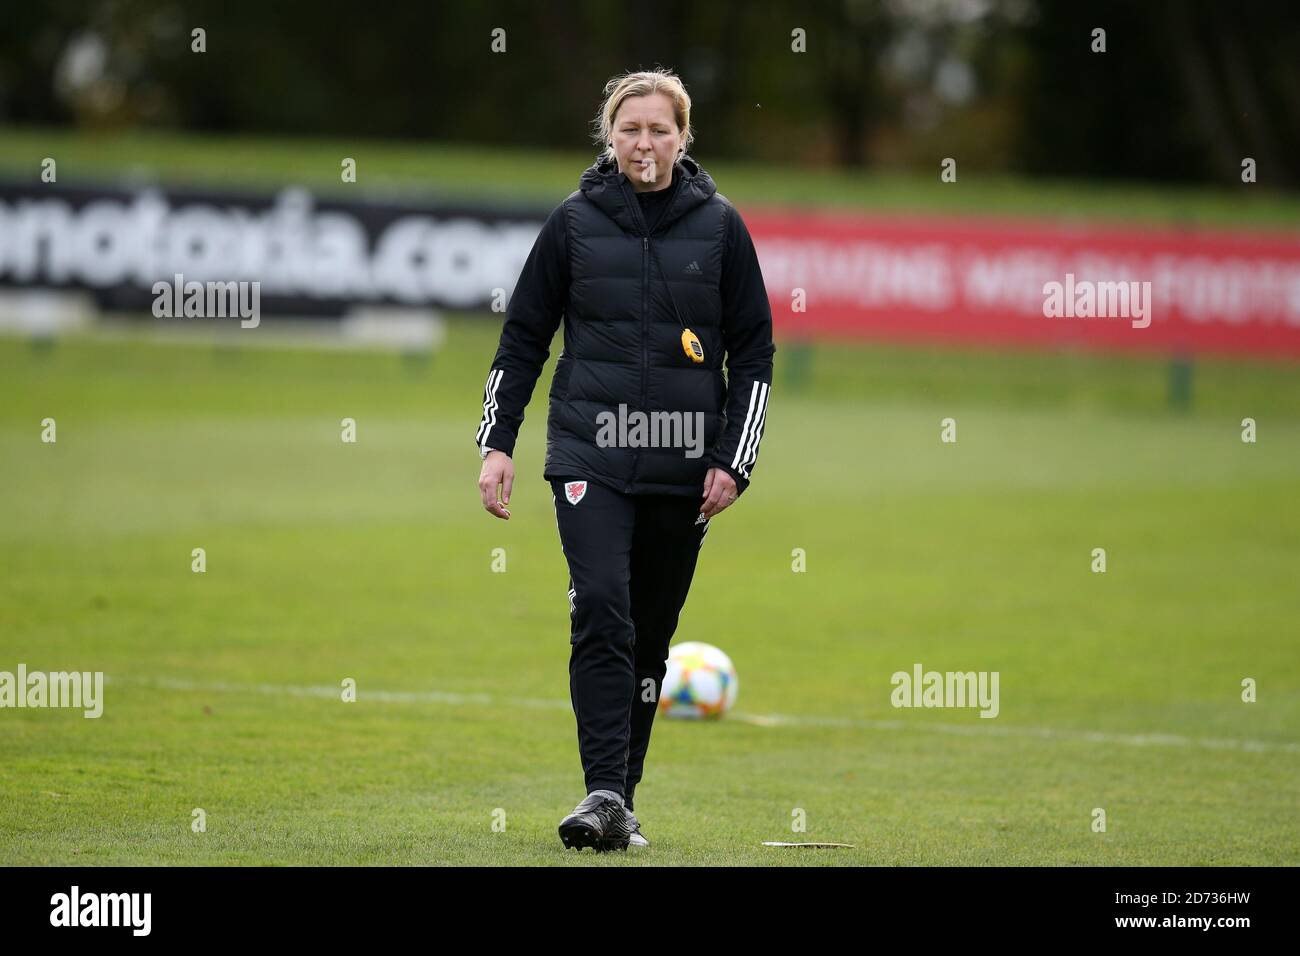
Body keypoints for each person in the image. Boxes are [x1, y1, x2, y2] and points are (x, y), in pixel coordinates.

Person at [474, 67, 775, 852]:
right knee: (602, 602)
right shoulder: (573, 223)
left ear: (683, 137)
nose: (645, 141)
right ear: (609, 136)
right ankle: (601, 788)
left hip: (682, 463)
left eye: (660, 128)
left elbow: (755, 355)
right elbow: (523, 339)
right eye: (630, 128)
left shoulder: (722, 228)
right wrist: (497, 445)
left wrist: (732, 462)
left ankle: (618, 804)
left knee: (649, 636)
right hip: (590, 452)